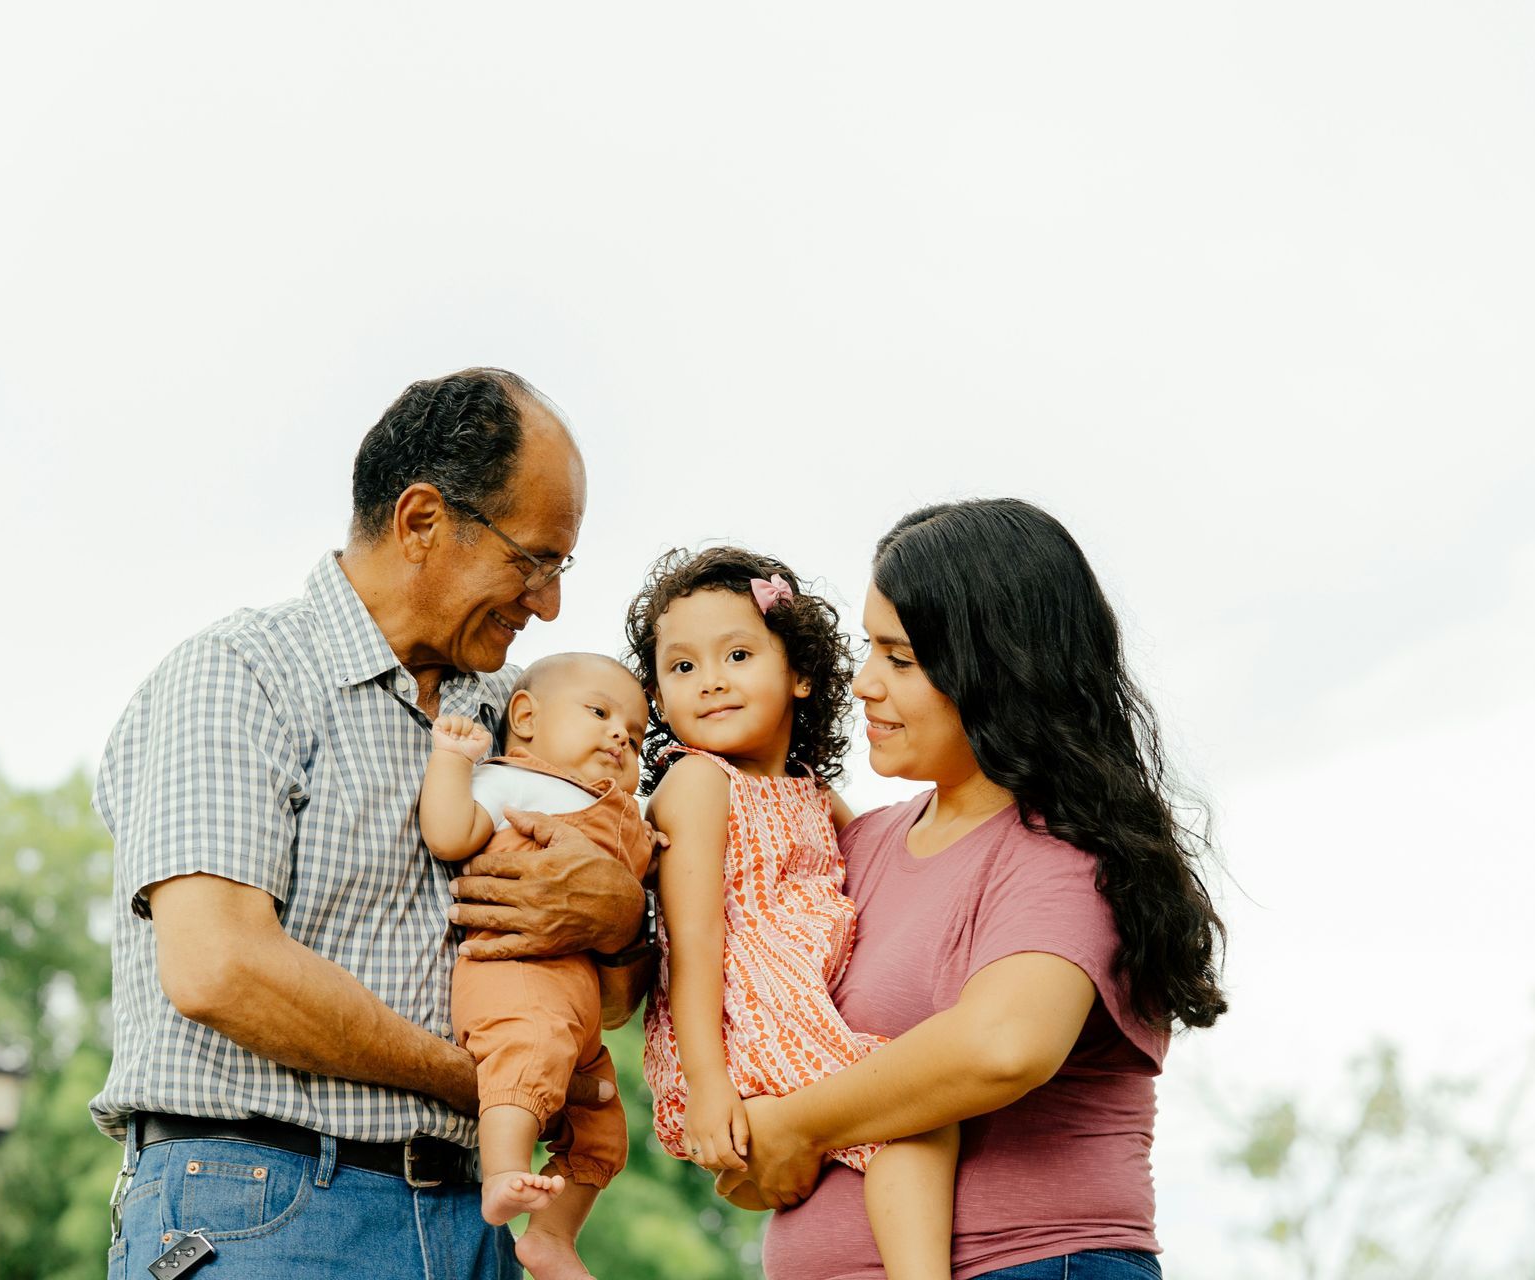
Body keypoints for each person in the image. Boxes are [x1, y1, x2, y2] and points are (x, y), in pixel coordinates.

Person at [89, 369, 651, 1280]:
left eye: (560, 569)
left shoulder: (527, 712)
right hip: (263, 1204)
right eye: (533, 560)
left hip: (477, 1218)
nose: (547, 603)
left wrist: (622, 916)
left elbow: (614, 996)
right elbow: (220, 969)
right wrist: (477, 1084)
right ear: (422, 520)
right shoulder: (241, 675)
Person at [720, 498, 1229, 1280]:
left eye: (900, 658)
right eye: (868, 649)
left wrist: (792, 1126)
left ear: (993, 666)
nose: (862, 685)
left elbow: (1002, 1046)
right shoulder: (863, 845)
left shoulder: (1066, 851)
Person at [629, 546, 960, 1280]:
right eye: (682, 668)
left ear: (800, 674)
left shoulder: (810, 793)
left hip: (797, 1008)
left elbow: (887, 850)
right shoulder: (697, 784)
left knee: (873, 1125)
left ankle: (754, 1172)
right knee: (915, 1115)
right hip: (749, 1018)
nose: (710, 681)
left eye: (738, 654)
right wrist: (709, 1085)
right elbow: (692, 943)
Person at [419, 652, 655, 1280]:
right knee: (523, 1055)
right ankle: (501, 1175)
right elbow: (448, 832)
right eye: (600, 714)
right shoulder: (521, 781)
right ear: (525, 717)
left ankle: (551, 1237)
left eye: (634, 736)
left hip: (578, 1011)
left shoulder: (627, 813)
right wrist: (452, 760)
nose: (619, 737)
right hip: (514, 976)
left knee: (602, 1126)